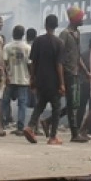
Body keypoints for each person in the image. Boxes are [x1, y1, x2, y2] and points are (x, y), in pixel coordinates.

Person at [28, 14, 66, 145]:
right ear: (56, 26)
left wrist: (32, 78)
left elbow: (32, 62)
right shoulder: (59, 43)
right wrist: (61, 83)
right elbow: (59, 65)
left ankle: (30, 126)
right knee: (56, 108)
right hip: (53, 81)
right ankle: (53, 137)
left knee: (40, 104)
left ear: (45, 25)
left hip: (40, 80)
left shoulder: (37, 41)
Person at [59, 7, 90, 143]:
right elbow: (59, 56)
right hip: (68, 72)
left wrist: (86, 71)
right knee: (72, 104)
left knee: (75, 103)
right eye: (81, 17)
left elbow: (77, 56)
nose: (82, 20)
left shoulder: (77, 33)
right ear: (75, 18)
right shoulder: (65, 34)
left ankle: (47, 122)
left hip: (75, 72)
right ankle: (74, 134)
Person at [3, 25, 34, 138]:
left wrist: (6, 76)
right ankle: (20, 128)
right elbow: (30, 65)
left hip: (10, 79)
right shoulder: (28, 48)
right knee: (22, 104)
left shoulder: (7, 47)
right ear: (23, 34)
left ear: (13, 33)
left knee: (5, 102)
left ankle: (3, 122)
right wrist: (32, 78)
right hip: (23, 80)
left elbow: (4, 64)